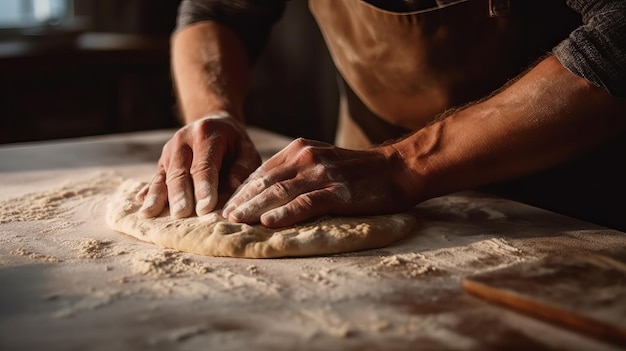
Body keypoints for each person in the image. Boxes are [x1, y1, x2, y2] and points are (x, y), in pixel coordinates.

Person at [136, 0, 626, 232]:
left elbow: (619, 34)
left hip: (567, 197)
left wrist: (404, 165)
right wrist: (214, 111)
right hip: (357, 178)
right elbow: (217, 12)